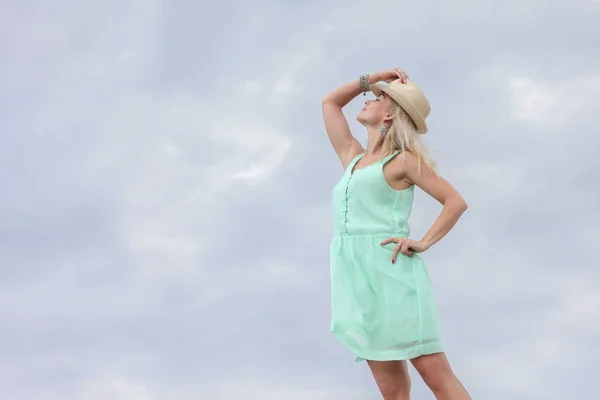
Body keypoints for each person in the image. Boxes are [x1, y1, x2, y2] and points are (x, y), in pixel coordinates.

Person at [321, 68, 472, 400]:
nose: (367, 98)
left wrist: (424, 241)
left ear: (390, 113)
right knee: (392, 390)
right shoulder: (352, 157)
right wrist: (376, 77)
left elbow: (454, 202)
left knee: (436, 376)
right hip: (355, 276)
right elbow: (330, 103)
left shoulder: (402, 162)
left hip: (392, 272)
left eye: (378, 97)